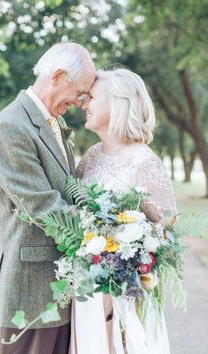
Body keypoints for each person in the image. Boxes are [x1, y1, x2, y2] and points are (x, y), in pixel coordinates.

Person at [0, 42, 95, 354]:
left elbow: (68, 191)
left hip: (60, 284)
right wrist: (106, 233)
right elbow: (42, 204)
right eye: (80, 92)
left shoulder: (54, 122)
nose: (80, 102)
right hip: (31, 291)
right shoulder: (11, 125)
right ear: (58, 76)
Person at [70, 68, 176, 354]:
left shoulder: (144, 161)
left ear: (118, 103)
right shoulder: (92, 154)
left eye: (92, 97)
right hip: (86, 290)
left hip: (126, 296)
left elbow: (166, 231)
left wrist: (124, 260)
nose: (84, 104)